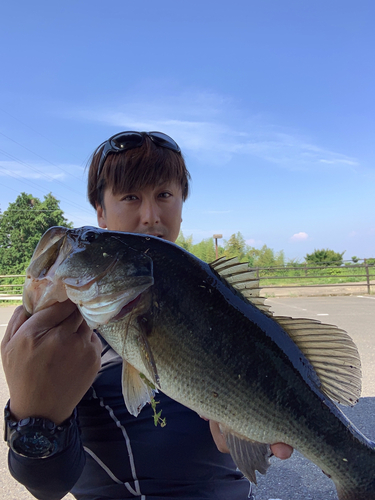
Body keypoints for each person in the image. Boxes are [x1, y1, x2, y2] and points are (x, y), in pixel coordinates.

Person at [2, 131, 292, 500]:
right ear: (101, 213)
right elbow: (47, 483)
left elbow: (265, 435)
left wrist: (259, 432)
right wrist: (33, 417)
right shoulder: (66, 334)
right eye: (131, 197)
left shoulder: (220, 299)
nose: (151, 215)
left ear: (182, 205)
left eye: (164, 195)